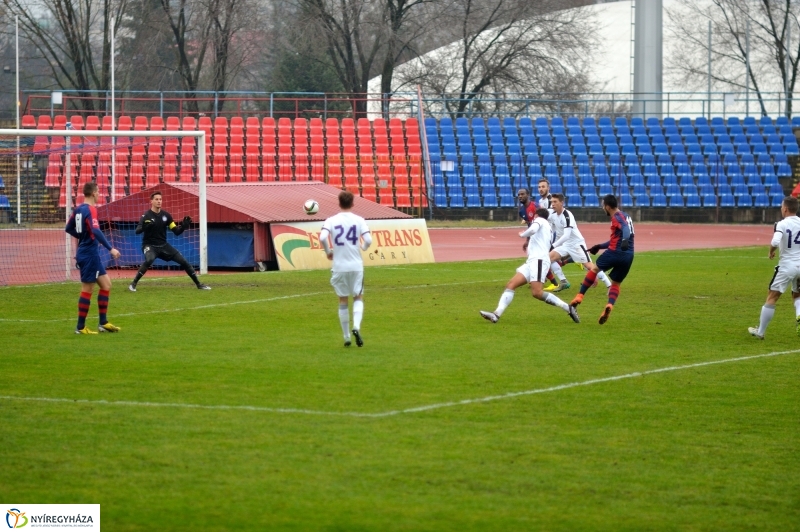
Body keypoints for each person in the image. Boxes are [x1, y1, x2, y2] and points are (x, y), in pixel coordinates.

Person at [480, 208, 580, 324]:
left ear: (536, 215)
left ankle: (568, 308)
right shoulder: (547, 226)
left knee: (537, 292)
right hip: (532, 261)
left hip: (539, 260)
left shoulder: (540, 221)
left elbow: (533, 229)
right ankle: (496, 314)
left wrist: (523, 234)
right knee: (511, 284)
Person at [65, 182, 122, 334]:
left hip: (89, 253)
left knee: (106, 284)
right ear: (93, 193)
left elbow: (68, 228)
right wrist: (111, 249)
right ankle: (80, 327)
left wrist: (82, 236)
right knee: (87, 289)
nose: (99, 195)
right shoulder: (91, 210)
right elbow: (96, 231)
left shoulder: (78, 210)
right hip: (89, 254)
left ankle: (103, 323)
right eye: (98, 192)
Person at [570, 194, 635, 325]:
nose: (602, 208)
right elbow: (618, 236)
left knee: (594, 269)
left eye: (602, 205)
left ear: (607, 206)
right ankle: (610, 305)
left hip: (616, 252)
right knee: (616, 283)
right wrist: (600, 246)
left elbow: (626, 230)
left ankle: (579, 296)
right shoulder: (626, 215)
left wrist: (624, 241)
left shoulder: (617, 217)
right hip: (628, 256)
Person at [319, 191, 372, 347]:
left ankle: (346, 336)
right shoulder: (359, 220)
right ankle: (356, 326)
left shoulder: (331, 220)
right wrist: (362, 246)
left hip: (339, 266)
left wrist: (329, 252)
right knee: (358, 297)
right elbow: (368, 239)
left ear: (339, 203)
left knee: (343, 300)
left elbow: (322, 237)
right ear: (353, 203)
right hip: (356, 266)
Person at [129, 191, 210, 292]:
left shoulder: (166, 216)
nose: (159, 201)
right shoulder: (146, 215)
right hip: (149, 245)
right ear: (151, 201)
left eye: (160, 199)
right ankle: (133, 284)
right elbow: (137, 231)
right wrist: (144, 227)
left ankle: (199, 284)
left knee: (183, 261)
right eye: (156, 199)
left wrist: (183, 227)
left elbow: (176, 231)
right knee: (149, 260)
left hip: (163, 245)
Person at [748, 196, 800, 339]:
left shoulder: (781, 224)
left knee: (772, 297)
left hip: (787, 266)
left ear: (785, 209)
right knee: (797, 295)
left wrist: (771, 251)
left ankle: (761, 332)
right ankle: (799, 315)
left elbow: (776, 241)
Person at [548, 193, 612, 290]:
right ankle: (563, 281)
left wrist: (553, 245)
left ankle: (609, 285)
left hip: (576, 245)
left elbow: (566, 235)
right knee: (548, 258)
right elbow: (551, 227)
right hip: (565, 245)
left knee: (590, 266)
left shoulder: (567, 215)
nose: (552, 204)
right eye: (551, 202)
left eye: (555, 202)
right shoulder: (552, 215)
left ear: (561, 203)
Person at [518, 186, 566, 291]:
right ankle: (547, 278)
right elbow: (530, 226)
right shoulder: (522, 211)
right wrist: (528, 240)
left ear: (528, 195)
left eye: (522, 194)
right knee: (540, 257)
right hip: (536, 235)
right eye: (519, 195)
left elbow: (544, 218)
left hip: (545, 234)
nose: (520, 196)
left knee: (545, 257)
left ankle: (553, 280)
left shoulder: (535, 206)